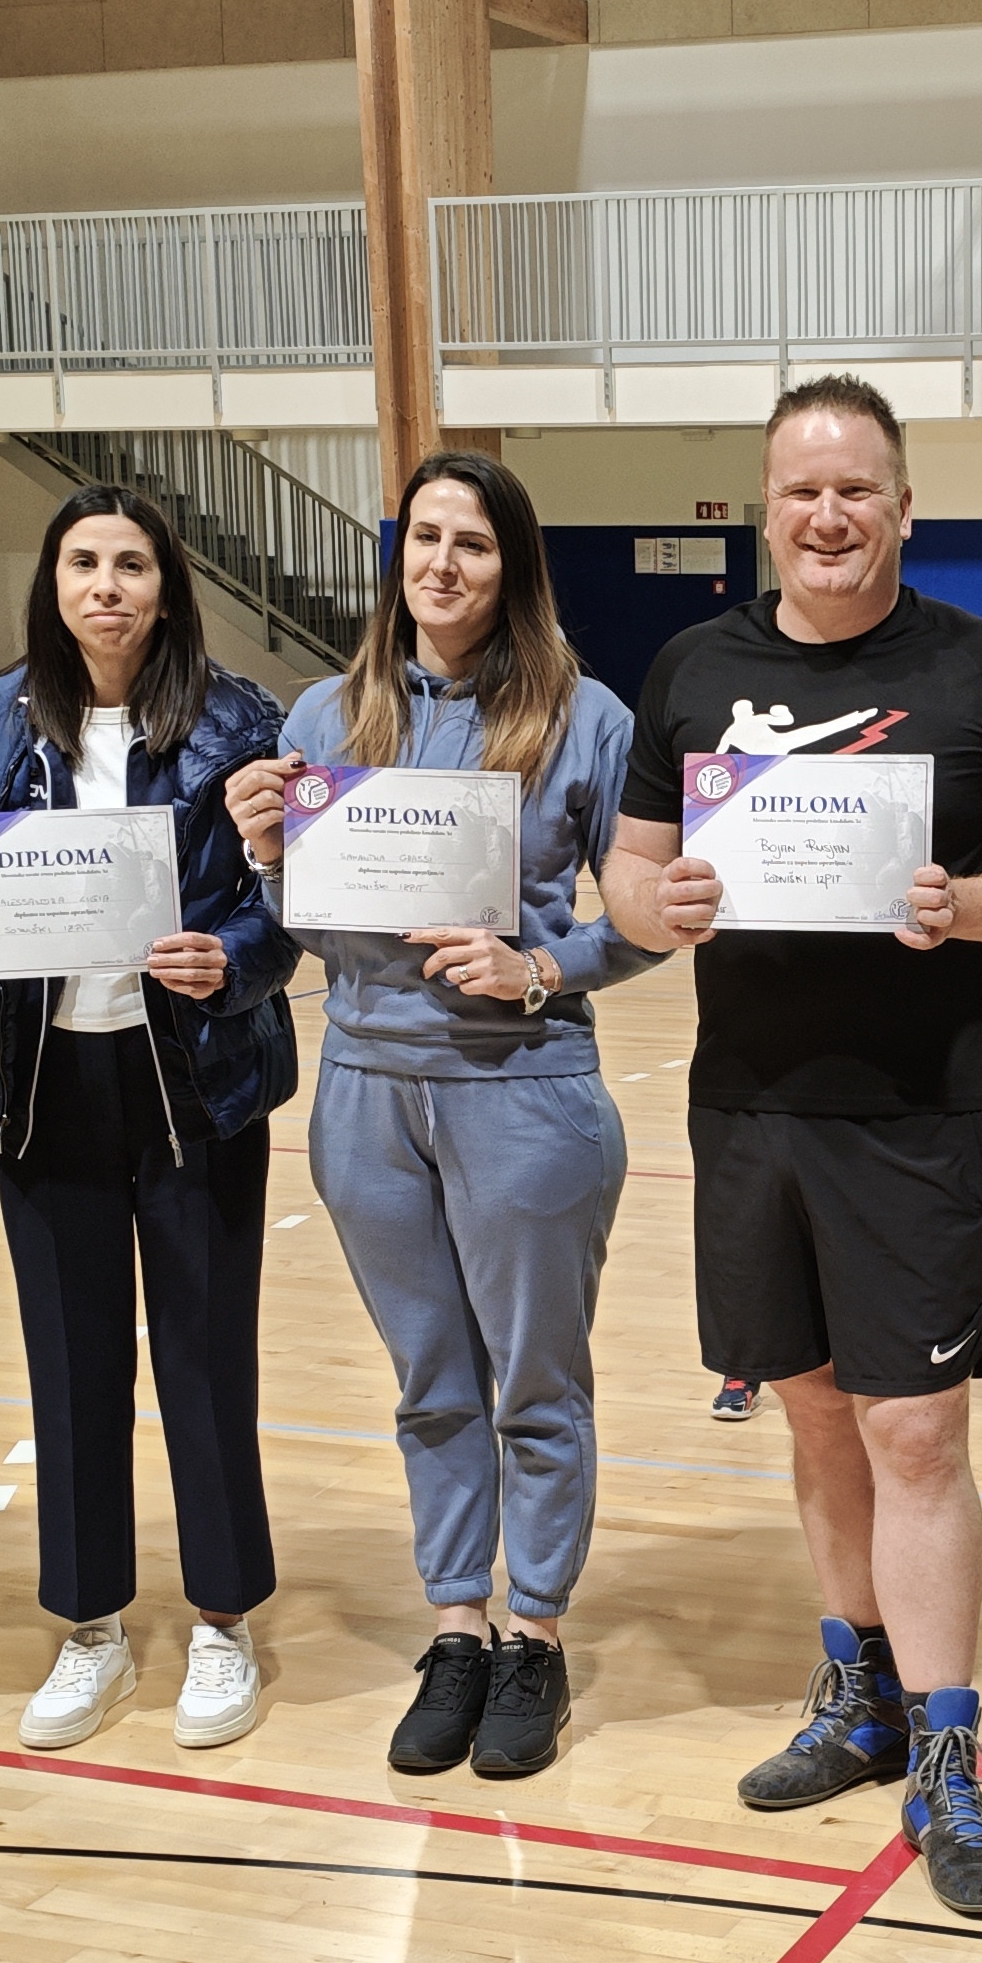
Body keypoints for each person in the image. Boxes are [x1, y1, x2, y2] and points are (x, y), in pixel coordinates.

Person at [600, 374, 982, 1920]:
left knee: (917, 1435)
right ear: (768, 509)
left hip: (916, 1112)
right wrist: (652, 909)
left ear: (901, 503)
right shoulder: (692, 667)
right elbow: (627, 866)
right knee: (816, 1419)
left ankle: (949, 1752)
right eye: (803, 491)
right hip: (748, 1110)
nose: (831, 516)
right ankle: (858, 1693)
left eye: (858, 489)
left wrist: (975, 903)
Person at [227, 450, 655, 1782]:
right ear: (397, 553)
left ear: (513, 567)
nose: (443, 564)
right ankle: (457, 1625)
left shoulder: (589, 719)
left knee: (534, 1379)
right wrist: (262, 851)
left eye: (473, 542)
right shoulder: (318, 714)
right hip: (364, 1088)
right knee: (430, 1382)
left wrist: (546, 967)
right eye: (424, 538)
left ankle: (535, 1634)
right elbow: (291, 936)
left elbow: (646, 916)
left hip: (522, 1088)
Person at [0, 486, 299, 1753]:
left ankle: (223, 1621)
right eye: (84, 561)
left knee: (202, 1359)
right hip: (44, 1086)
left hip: (192, 1084)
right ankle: (89, 1634)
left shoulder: (237, 718)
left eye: (132, 564)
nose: (108, 586)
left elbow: (277, 909)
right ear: (55, 580)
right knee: (71, 1370)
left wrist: (228, 962)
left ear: (167, 587)